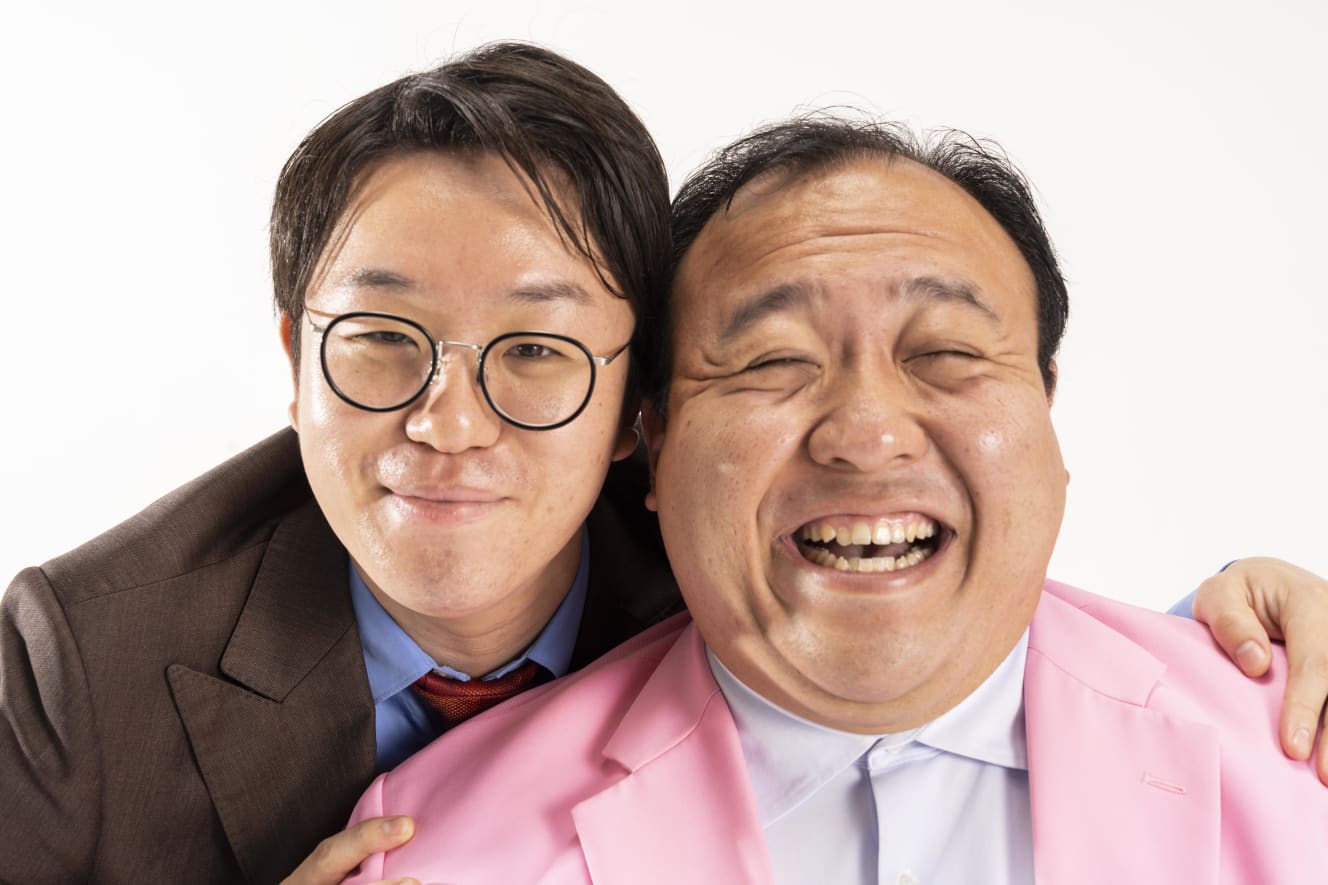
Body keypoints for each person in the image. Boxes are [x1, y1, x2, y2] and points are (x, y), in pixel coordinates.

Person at [0, 43, 1321, 885]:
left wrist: (1240, 631)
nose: (450, 424)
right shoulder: (85, 662)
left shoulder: (1271, 724)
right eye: (384, 340)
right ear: (296, 358)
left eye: (536, 351)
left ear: (635, 414)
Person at [344, 116, 1328, 884]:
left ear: (1045, 407)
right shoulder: (429, 847)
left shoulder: (1297, 745)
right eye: (772, 361)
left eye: (944, 353)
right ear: (654, 439)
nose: (865, 432)